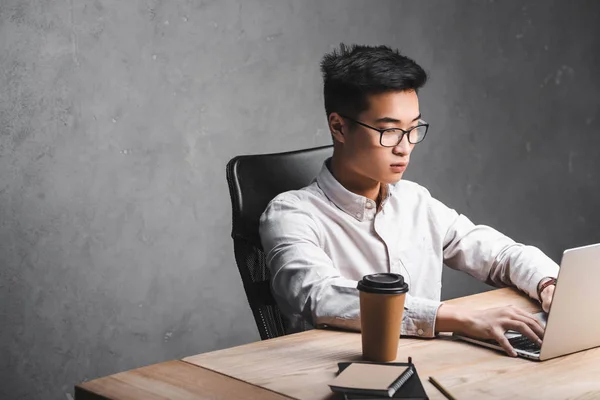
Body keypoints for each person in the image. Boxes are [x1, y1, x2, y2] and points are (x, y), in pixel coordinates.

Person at [259, 44, 559, 357]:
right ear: (339, 126)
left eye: (413, 128)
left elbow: (499, 254)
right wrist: (456, 318)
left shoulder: (414, 200)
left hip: (428, 366)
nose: (405, 147)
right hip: (338, 377)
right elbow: (320, 295)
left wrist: (548, 283)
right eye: (389, 131)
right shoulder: (290, 214)